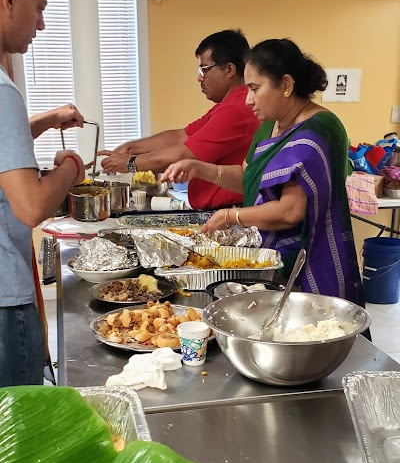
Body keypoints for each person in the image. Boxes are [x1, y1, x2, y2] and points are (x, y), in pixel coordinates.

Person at [162, 38, 364, 305]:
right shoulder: (271, 125)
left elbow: (290, 211)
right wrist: (200, 169)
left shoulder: (318, 130)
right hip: (271, 259)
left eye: (255, 89)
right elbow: (247, 178)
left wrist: (230, 216)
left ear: (287, 85)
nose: (248, 100)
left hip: (311, 261)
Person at [0, 0, 86, 386]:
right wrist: (72, 168)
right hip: (4, 301)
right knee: (18, 441)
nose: (41, 23)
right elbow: (30, 204)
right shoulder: (2, 91)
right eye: (39, 8)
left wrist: (45, 121)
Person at [99, 29, 259, 210]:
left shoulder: (236, 109)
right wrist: (131, 147)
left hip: (230, 212)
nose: (200, 78)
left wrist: (130, 163)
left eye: (204, 69)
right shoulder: (226, 105)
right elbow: (180, 136)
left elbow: (183, 154)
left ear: (229, 69)